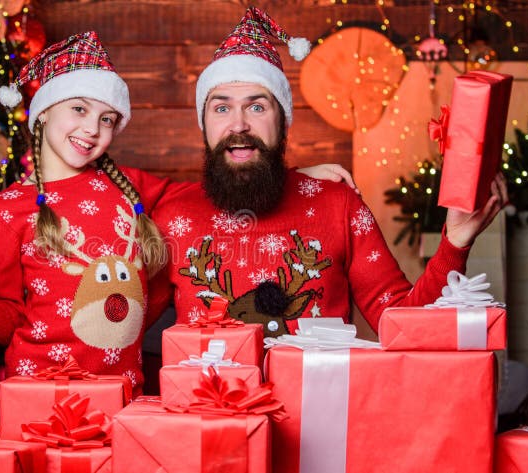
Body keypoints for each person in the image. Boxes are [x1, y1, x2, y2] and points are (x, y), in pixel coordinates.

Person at [0, 30, 354, 392]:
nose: (92, 129)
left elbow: (226, 180)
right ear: (44, 111)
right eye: (79, 109)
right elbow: (10, 318)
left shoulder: (131, 186)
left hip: (124, 389)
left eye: (108, 119)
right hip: (38, 388)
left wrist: (296, 174)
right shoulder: (4, 210)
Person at [148, 7, 507, 338]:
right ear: (204, 124)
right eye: (221, 108)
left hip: (319, 406)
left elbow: (404, 325)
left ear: (283, 123)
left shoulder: (338, 204)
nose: (238, 124)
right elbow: (115, 327)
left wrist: (455, 242)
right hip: (205, 407)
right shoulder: (171, 216)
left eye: (257, 106)